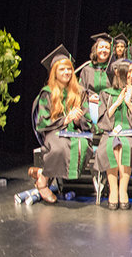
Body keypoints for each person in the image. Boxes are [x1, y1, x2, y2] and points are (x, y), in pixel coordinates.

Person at [29, 45, 93, 203]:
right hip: (54, 131)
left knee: (82, 145)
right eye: (62, 69)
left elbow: (88, 120)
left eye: (69, 69)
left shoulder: (80, 92)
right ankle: (43, 182)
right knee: (59, 147)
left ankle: (41, 173)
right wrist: (65, 120)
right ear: (54, 73)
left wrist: (78, 120)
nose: (67, 73)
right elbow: (42, 121)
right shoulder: (47, 93)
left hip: (76, 132)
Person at [95, 59, 132, 210]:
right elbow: (102, 121)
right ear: (118, 73)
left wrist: (130, 103)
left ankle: (123, 189)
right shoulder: (106, 94)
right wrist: (117, 102)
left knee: (125, 146)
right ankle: (113, 189)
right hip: (110, 133)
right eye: (129, 72)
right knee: (112, 146)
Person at [79, 33, 112, 100]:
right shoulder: (87, 70)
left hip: (108, 106)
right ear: (96, 49)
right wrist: (88, 98)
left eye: (107, 48)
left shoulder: (113, 70)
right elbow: (80, 90)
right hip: (89, 105)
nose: (104, 50)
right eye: (101, 47)